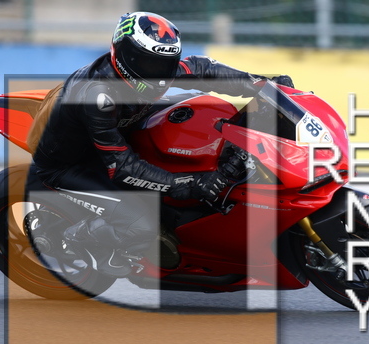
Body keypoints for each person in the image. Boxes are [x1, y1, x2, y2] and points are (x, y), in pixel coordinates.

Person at [27, 11, 294, 277]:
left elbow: (203, 69)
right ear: (126, 55)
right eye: (151, 64)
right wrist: (188, 184)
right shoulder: (97, 97)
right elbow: (121, 168)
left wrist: (264, 85)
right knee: (140, 227)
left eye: (167, 64)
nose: (161, 74)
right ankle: (79, 238)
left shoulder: (153, 69)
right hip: (73, 164)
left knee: (201, 121)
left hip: (119, 134)